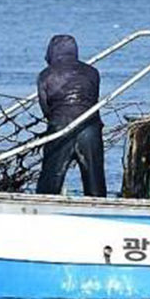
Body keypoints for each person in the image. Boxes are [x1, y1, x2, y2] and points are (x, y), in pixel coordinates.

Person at [35, 34, 107, 197]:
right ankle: (99, 209)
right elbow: (93, 98)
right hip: (90, 128)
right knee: (95, 180)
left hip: (60, 127)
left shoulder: (46, 75)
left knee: (51, 178)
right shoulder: (92, 72)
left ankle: (44, 209)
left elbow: (45, 108)